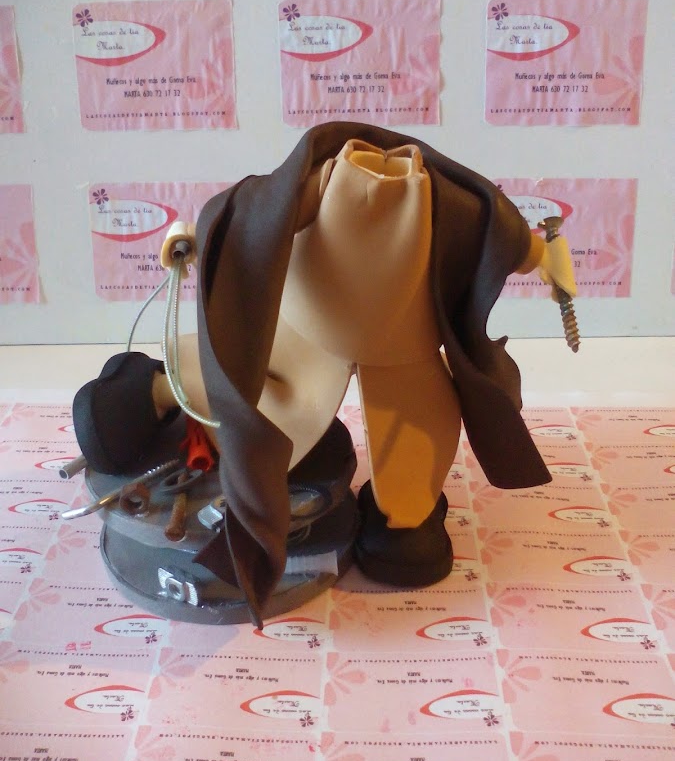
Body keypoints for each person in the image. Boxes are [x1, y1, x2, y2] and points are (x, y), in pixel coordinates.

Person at [73, 122, 576, 627]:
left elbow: (500, 234)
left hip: (406, 350)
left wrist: (545, 257)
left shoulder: (448, 205)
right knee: (242, 392)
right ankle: (151, 388)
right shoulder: (320, 186)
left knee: (418, 453)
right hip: (304, 337)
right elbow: (249, 218)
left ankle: (403, 521)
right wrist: (194, 239)